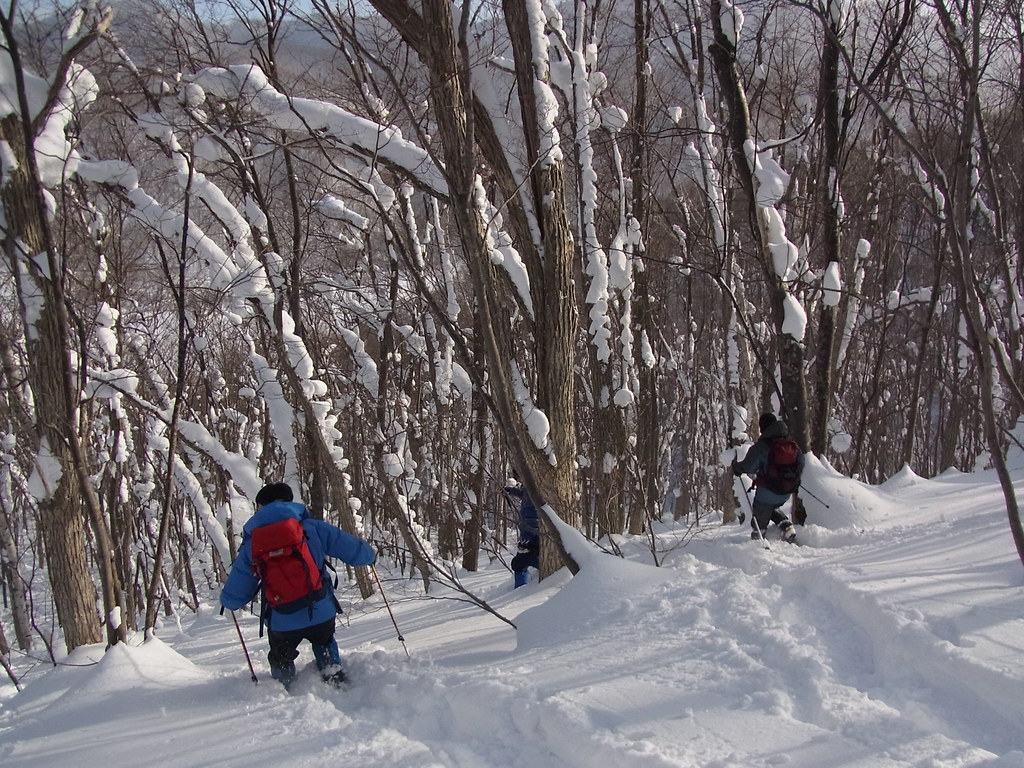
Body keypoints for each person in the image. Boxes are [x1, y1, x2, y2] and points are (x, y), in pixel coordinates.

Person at [220, 482, 375, 688]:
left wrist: (229, 601)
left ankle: (283, 688)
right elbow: (353, 550)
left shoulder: (253, 543)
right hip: (320, 609)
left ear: (261, 507)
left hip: (282, 618)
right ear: (290, 501)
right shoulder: (312, 528)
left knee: (280, 653)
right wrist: (370, 556)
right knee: (324, 640)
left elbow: (239, 584)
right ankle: (333, 675)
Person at [732, 413, 804, 544]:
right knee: (771, 508)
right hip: (787, 491)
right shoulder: (790, 444)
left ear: (763, 427)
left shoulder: (762, 446)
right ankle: (787, 527)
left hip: (767, 492)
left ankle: (758, 542)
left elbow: (749, 467)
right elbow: (801, 462)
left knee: (760, 515)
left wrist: (737, 468)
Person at [503, 470, 540, 588]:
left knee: (521, 562)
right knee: (523, 560)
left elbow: (529, 498)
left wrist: (527, 537)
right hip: (529, 529)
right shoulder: (530, 484)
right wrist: (510, 491)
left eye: (517, 476)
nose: (517, 479)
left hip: (531, 530)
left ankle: (521, 590)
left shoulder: (534, 484)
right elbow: (524, 494)